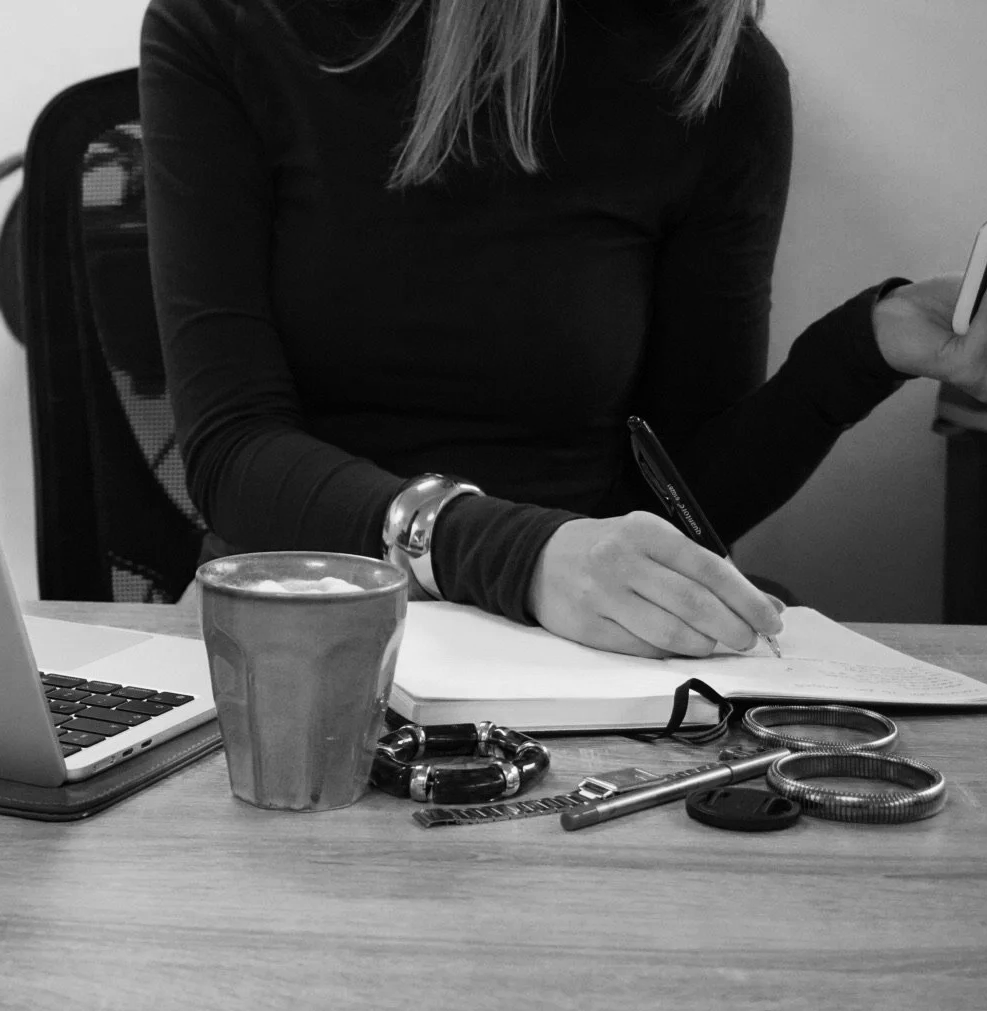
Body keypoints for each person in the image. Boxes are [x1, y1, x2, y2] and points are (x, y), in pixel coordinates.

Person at [140, 0, 987, 658]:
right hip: (298, 616)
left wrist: (863, 350)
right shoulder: (232, 26)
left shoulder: (710, 70)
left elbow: (682, 494)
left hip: (576, 652)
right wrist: (518, 557)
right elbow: (229, 450)